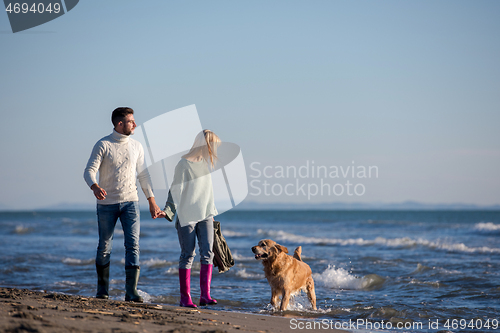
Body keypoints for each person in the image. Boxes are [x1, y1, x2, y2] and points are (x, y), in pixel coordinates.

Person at [83, 107, 162, 302]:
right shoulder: (103, 144)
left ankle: (131, 292)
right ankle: (102, 291)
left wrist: (152, 201)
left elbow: (143, 175)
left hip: (131, 203)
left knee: (133, 245)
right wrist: (94, 186)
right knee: (104, 246)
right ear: (120, 123)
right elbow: (89, 170)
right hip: (106, 204)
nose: (135, 124)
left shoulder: (137, 146)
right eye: (131, 121)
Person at [159, 130, 220, 308]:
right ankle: (185, 298)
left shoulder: (207, 163)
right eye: (212, 145)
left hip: (206, 215)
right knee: (188, 255)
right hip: (187, 216)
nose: (214, 149)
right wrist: (168, 211)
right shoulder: (183, 164)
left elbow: (206, 191)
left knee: (208, 253)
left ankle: (205, 296)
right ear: (205, 144)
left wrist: (212, 213)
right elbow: (175, 189)